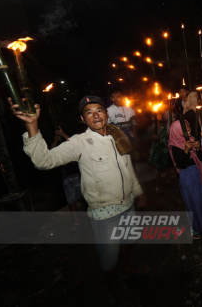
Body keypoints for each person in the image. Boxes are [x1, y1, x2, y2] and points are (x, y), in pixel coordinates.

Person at [9, 96, 147, 306]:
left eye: (99, 110)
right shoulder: (79, 142)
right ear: (83, 119)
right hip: (104, 213)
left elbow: (128, 168)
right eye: (89, 112)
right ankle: (116, 290)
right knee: (109, 257)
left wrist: (138, 192)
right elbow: (43, 161)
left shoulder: (117, 134)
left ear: (106, 113)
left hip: (127, 204)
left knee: (127, 240)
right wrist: (32, 126)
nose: (96, 115)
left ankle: (127, 268)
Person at [168, 120, 202, 240]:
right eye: (184, 127)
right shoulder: (175, 145)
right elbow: (181, 164)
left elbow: (201, 158)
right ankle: (195, 227)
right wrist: (186, 151)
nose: (188, 129)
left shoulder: (192, 139)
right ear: (177, 130)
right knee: (193, 202)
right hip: (188, 176)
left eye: (188, 126)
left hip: (198, 173)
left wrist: (197, 149)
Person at [50, 126, 84, 232]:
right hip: (67, 177)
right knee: (71, 202)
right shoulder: (60, 145)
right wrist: (56, 140)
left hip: (80, 175)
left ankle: (93, 219)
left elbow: (77, 146)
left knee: (87, 199)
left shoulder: (73, 140)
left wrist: (64, 134)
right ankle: (77, 222)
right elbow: (51, 152)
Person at [149, 113, 177, 193]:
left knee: (168, 166)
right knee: (159, 169)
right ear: (152, 117)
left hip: (166, 148)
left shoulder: (163, 125)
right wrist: (153, 137)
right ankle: (158, 185)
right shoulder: (152, 128)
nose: (160, 116)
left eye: (160, 115)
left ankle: (169, 181)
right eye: (157, 115)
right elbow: (147, 139)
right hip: (159, 150)